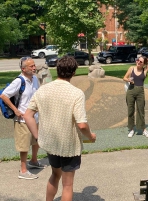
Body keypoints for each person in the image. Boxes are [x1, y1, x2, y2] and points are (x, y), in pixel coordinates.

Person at [24, 56, 96, 201]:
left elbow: (27, 115)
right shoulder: (76, 93)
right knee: (67, 184)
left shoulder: (43, 90)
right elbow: (82, 124)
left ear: (57, 69)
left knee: (55, 175)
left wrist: (38, 136)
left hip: (50, 143)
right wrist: (90, 136)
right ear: (73, 72)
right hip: (69, 146)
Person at [0, 57, 46, 179]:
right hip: (22, 120)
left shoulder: (34, 79)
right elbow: (4, 95)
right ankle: (23, 170)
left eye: (34, 65)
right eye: (31, 66)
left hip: (35, 117)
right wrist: (16, 110)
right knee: (24, 145)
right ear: (23, 69)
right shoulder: (19, 81)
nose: (34, 68)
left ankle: (34, 161)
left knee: (36, 141)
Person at [123, 56, 148, 138]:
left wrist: (144, 60)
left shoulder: (145, 70)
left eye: (140, 62)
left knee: (141, 110)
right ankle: (131, 129)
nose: (138, 62)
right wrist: (129, 80)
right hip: (130, 91)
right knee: (130, 110)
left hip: (140, 92)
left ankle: (143, 129)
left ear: (144, 64)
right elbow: (124, 78)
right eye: (137, 60)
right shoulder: (131, 68)